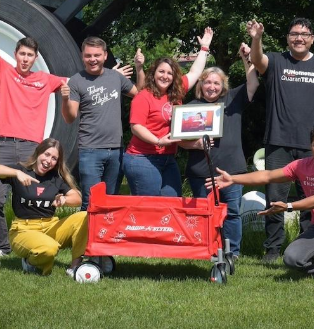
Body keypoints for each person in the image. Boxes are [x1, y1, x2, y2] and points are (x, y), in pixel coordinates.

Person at [0, 0, 79, 257]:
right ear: (16, 54)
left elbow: (78, 83)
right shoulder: (4, 71)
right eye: (22, 54)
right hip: (3, 145)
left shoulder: (45, 79)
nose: (25, 59)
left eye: (30, 55)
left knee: (34, 199)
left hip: (31, 149)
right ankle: (3, 247)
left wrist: (108, 77)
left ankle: (37, 243)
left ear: (35, 58)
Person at [248, 17, 314, 262]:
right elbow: (257, 61)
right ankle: (273, 249)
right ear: (287, 38)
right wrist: (257, 38)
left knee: (311, 200)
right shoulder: (276, 60)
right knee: (275, 197)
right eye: (294, 34)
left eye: (304, 35)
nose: (299, 38)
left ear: (312, 39)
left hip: (313, 147)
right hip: (278, 141)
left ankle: (309, 245)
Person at [208, 124, 314, 289]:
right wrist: (233, 179)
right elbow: (268, 175)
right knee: (291, 259)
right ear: (311, 146)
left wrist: (288, 206)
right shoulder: (301, 165)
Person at [182, 43, 259, 261]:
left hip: (232, 171)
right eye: (207, 82)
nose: (212, 87)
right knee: (204, 213)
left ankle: (232, 253)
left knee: (232, 212)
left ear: (223, 85)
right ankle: (206, 249)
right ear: (201, 84)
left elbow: (253, 83)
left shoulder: (233, 99)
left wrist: (246, 59)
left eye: (216, 83)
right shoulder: (190, 107)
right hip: (201, 172)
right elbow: (179, 142)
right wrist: (195, 145)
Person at [123, 28, 213, 196]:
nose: (165, 76)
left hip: (167, 158)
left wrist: (204, 48)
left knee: (172, 201)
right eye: (161, 72)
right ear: (153, 74)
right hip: (142, 158)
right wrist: (158, 141)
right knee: (151, 206)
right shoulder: (144, 96)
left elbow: (194, 72)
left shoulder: (176, 92)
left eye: (169, 73)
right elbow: (136, 127)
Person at [62, 37, 145, 211]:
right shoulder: (76, 81)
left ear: (105, 55)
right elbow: (70, 118)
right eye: (88, 55)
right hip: (90, 150)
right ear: (82, 56)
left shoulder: (115, 77)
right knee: (91, 201)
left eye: (97, 55)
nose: (93, 59)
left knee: (111, 201)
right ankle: (87, 230)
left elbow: (140, 94)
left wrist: (139, 68)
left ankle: (107, 230)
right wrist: (64, 99)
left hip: (116, 149)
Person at [0, 138, 88, 276]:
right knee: (49, 248)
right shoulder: (21, 170)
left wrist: (64, 199)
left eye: (54, 158)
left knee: (84, 216)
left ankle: (74, 267)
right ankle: (30, 262)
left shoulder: (55, 178)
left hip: (50, 226)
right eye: (46, 154)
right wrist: (16, 173)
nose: (48, 161)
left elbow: (78, 198)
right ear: (38, 153)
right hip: (23, 229)